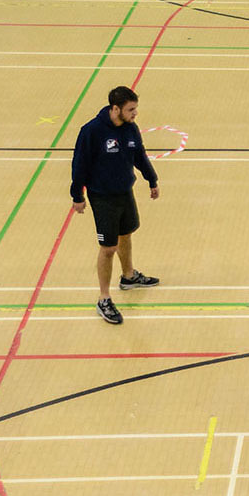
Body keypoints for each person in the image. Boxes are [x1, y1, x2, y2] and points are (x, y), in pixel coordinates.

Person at [70, 86, 160, 325]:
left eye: (136, 108)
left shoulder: (130, 129)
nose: (135, 113)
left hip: (124, 192)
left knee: (126, 234)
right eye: (131, 109)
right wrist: (77, 195)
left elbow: (139, 156)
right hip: (102, 197)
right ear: (115, 108)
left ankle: (128, 277)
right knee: (108, 248)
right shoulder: (92, 131)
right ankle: (104, 298)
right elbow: (79, 165)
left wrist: (152, 179)